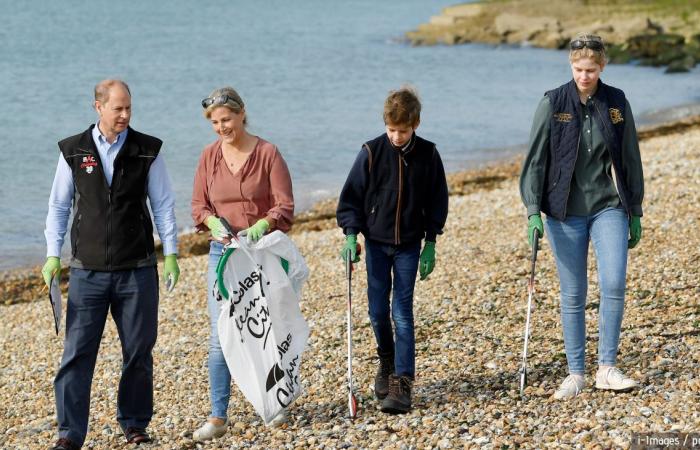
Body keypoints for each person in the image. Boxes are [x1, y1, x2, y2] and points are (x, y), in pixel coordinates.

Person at [41, 79, 180, 449]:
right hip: (86, 272)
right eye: (117, 108)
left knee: (138, 351)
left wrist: (172, 254)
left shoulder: (147, 150)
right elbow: (58, 207)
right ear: (97, 107)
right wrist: (53, 255)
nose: (124, 115)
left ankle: (134, 423)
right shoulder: (73, 151)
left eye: (128, 108)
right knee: (77, 354)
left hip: (137, 269)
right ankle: (70, 434)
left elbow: (163, 205)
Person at [519, 34, 644, 400]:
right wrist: (532, 211)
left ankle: (606, 367)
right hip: (563, 211)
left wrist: (634, 209)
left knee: (614, 283)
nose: (584, 76)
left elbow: (631, 156)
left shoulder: (616, 102)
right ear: (570, 66)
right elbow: (534, 161)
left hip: (609, 206)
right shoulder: (553, 102)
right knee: (573, 294)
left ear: (602, 66)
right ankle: (576, 373)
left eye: (590, 69)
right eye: (578, 69)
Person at [336, 86, 449, 414]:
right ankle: (386, 358)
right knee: (376, 311)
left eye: (402, 130)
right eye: (391, 130)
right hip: (376, 243)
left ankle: (402, 380)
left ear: (416, 123)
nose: (397, 136)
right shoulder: (371, 152)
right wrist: (350, 234)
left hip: (410, 245)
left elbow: (436, 200)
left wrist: (431, 242)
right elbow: (351, 197)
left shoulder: (428, 154)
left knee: (402, 311)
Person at [190, 86, 294, 441]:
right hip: (223, 256)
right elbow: (198, 206)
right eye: (215, 122)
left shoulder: (268, 153)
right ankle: (218, 416)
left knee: (265, 329)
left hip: (261, 252)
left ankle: (274, 401)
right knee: (222, 335)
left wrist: (263, 224)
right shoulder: (209, 156)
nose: (222, 127)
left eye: (227, 119)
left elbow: (284, 206)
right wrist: (211, 223)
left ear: (242, 114)